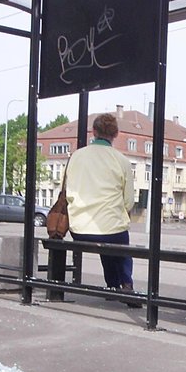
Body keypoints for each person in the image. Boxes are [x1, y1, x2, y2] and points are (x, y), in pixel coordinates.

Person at [64, 112, 139, 304]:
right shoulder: (121, 160)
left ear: (93, 131)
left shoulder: (76, 156)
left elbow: (66, 190)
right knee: (118, 238)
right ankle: (125, 285)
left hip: (79, 229)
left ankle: (111, 286)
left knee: (107, 235)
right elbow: (129, 201)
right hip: (111, 230)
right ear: (116, 134)